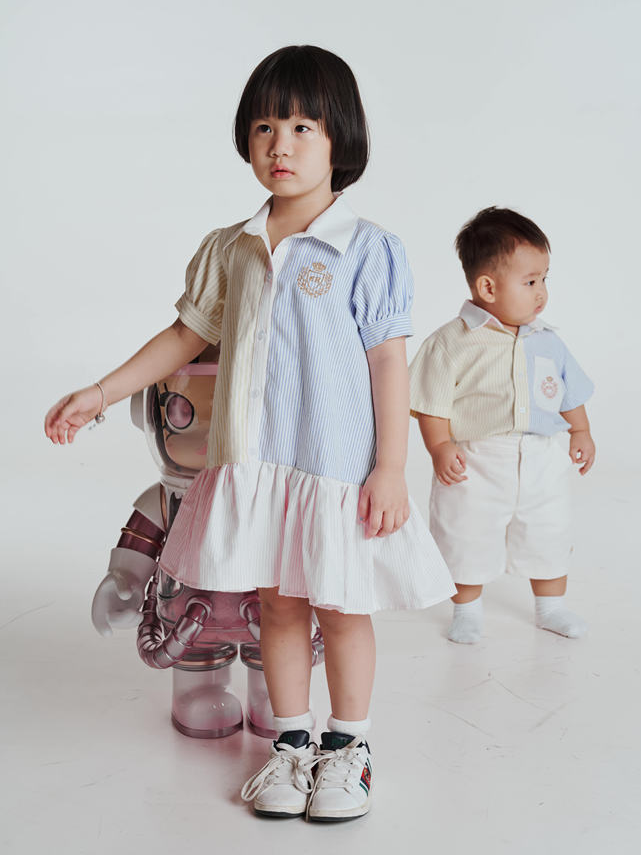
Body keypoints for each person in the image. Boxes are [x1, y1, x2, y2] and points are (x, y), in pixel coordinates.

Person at [45, 45, 455, 822]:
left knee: (341, 607)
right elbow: (183, 336)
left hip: (335, 471)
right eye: (265, 127)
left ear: (340, 139)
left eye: (302, 127)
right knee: (278, 606)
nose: (280, 145)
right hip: (255, 467)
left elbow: (388, 363)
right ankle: (292, 745)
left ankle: (349, 749)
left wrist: (392, 467)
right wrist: (101, 391)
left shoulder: (368, 248)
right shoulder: (230, 248)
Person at [409, 207, 595, 645]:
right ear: (487, 287)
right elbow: (431, 401)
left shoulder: (548, 339)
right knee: (465, 533)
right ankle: (467, 610)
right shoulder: (453, 341)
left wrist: (580, 431)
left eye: (544, 279)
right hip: (477, 459)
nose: (541, 292)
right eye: (530, 282)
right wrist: (439, 446)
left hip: (542, 457)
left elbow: (569, 390)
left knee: (548, 531)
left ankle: (551, 607)